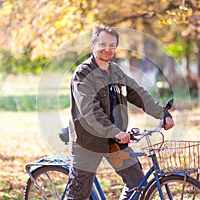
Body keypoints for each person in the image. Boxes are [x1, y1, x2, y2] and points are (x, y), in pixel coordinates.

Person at [65, 24, 174, 200]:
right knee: (79, 194)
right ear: (93, 45)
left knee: (138, 184)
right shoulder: (82, 74)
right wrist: (116, 131)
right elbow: (90, 111)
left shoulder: (115, 71)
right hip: (88, 142)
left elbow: (138, 93)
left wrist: (162, 114)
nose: (107, 49)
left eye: (112, 45)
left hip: (113, 142)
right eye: (102, 44)